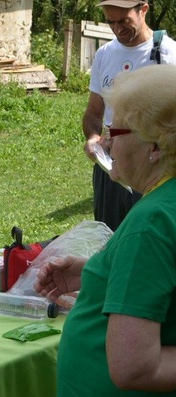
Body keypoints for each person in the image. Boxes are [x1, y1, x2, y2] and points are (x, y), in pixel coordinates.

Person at [36, 65, 176, 397]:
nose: (107, 142)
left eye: (116, 130)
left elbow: (135, 365)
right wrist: (100, 272)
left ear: (155, 147)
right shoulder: (166, 204)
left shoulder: (152, 220)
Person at [83, 0, 176, 231]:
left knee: (148, 231)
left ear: (143, 10)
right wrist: (93, 138)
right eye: (110, 22)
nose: (117, 29)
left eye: (124, 21)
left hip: (153, 167)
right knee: (108, 233)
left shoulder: (169, 53)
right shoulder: (104, 54)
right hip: (111, 165)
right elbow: (94, 112)